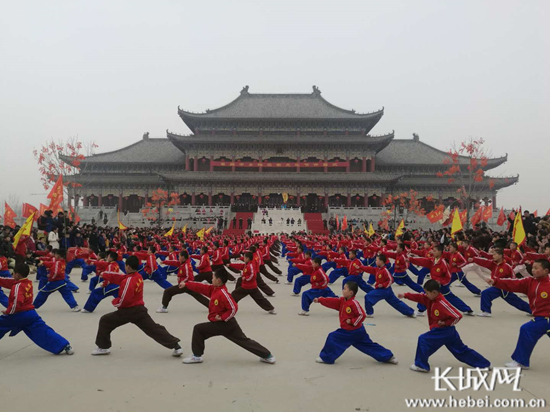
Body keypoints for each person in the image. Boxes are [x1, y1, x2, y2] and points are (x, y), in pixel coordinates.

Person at [91, 256, 183, 356]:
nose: (124, 267)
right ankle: (176, 346)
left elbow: (125, 300)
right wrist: (105, 274)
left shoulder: (129, 281)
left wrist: (115, 302)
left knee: (105, 320)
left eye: (126, 266)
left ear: (129, 267)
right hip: (139, 310)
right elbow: (120, 277)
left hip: (128, 311)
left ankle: (103, 347)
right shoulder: (137, 276)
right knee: (154, 329)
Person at [180, 269, 276, 365]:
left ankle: (197, 356)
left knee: (198, 329)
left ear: (218, 280)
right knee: (243, 340)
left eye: (213, 277)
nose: (211, 279)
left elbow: (233, 308)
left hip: (225, 324)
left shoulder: (223, 293)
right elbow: (201, 287)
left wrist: (222, 317)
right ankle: (267, 355)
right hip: (222, 323)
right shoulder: (214, 289)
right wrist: (187, 284)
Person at [399, 279, 491, 372]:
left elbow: (457, 316)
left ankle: (421, 365)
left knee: (424, 339)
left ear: (434, 292)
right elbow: (419, 297)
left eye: (427, 293)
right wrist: (405, 295)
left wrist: (445, 323)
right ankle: (484, 364)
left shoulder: (442, 303)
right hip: (447, 332)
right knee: (460, 350)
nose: (426, 295)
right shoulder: (429, 298)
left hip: (443, 330)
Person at [485, 259, 550, 369]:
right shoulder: (530, 282)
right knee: (527, 329)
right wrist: (496, 281)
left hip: (545, 318)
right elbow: (514, 283)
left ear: (546, 270)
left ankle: (521, 362)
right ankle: (521, 361)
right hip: (541, 318)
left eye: (536, 268)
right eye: (532, 267)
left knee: (527, 329)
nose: (533, 270)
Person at [313, 281, 397, 365]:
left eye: (345, 289)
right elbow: (332, 301)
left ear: (350, 293)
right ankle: (388, 356)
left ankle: (326, 358)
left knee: (333, 337)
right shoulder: (342, 300)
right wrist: (320, 300)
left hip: (351, 331)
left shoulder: (354, 303)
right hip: (356, 331)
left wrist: (352, 321)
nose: (343, 290)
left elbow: (362, 315)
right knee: (367, 345)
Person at [0, 263, 74, 355]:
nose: (12, 275)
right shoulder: (27, 283)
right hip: (31, 314)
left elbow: (17, 302)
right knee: (43, 330)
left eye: (13, 273)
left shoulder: (17, 287)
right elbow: (8, 282)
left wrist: (8, 312)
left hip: (18, 314)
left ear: (17, 275)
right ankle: (65, 345)